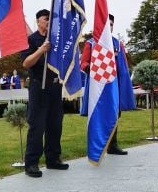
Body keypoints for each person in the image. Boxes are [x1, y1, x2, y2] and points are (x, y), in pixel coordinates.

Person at [21, 9, 69, 178]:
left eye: (51, 19)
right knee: (37, 125)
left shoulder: (56, 39)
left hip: (55, 86)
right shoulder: (30, 40)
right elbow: (26, 63)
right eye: (46, 19)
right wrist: (41, 50)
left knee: (55, 124)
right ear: (38, 21)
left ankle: (53, 158)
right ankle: (31, 163)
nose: (49, 21)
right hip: (38, 87)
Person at [80, 14, 136, 155]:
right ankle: (96, 146)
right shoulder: (91, 43)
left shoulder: (118, 44)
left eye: (111, 24)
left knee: (115, 115)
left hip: (113, 87)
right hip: (97, 88)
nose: (109, 27)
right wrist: (94, 68)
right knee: (97, 116)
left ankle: (112, 145)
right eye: (106, 24)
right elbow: (83, 63)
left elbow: (123, 67)